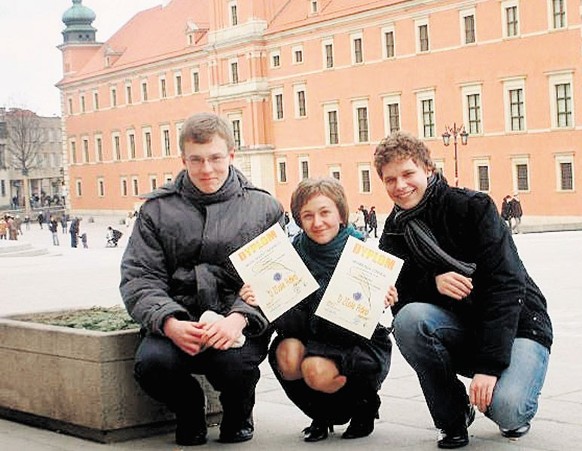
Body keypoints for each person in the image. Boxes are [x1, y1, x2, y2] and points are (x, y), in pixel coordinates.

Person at [374, 131, 553, 449]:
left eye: (408, 174)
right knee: (409, 321)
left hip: (519, 326)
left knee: (508, 412)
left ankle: (509, 390)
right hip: (462, 328)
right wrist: (428, 284)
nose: (400, 186)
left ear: (428, 169)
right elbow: (401, 295)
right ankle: (453, 416)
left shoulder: (472, 207)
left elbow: (507, 285)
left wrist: (488, 368)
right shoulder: (394, 231)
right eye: (390, 180)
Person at [120, 112, 284, 446]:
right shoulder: (156, 210)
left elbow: (275, 277)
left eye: (215, 158)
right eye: (196, 160)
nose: (206, 169)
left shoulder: (263, 207)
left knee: (235, 364)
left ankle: (238, 413)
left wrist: (238, 319)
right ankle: (189, 409)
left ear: (231, 156)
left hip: (236, 320)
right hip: (179, 318)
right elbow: (140, 277)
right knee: (151, 365)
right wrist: (169, 322)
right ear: (183, 159)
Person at [239, 177, 395, 442]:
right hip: (307, 333)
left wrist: (383, 297)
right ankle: (321, 414)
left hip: (353, 342)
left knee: (315, 369)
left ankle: (363, 407)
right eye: (307, 215)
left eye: (325, 213)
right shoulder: (287, 254)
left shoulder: (361, 254)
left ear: (341, 214)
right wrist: (260, 296)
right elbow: (286, 323)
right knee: (287, 355)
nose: (317, 222)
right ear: (299, 220)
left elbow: (361, 319)